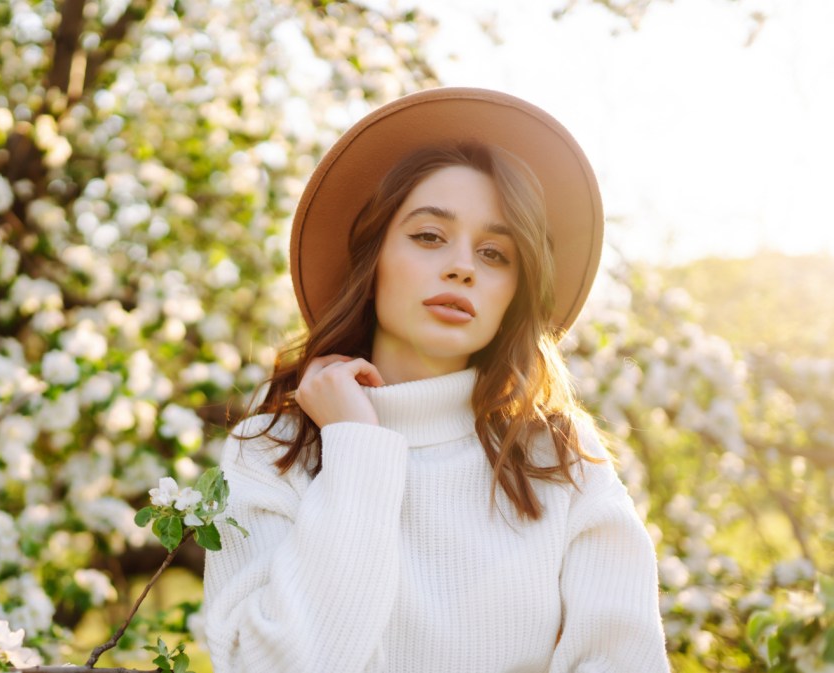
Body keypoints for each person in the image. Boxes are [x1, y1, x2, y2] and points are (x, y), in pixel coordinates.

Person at [201, 88, 670, 673]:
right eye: (429, 236)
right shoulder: (272, 449)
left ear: (514, 295)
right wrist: (355, 446)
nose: (462, 266)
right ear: (370, 262)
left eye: (496, 253)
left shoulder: (558, 455)